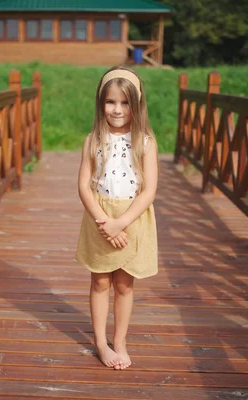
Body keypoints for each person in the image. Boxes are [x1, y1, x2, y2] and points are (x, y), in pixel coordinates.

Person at [76, 66, 159, 370]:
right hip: (99, 217)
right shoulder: (93, 140)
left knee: (124, 284)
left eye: (125, 103)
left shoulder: (146, 142)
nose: (117, 109)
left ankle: (120, 342)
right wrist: (104, 222)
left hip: (131, 219)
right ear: (101, 104)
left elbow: (149, 191)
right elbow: (84, 185)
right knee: (100, 281)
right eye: (111, 102)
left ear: (137, 105)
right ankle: (101, 343)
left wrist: (120, 223)